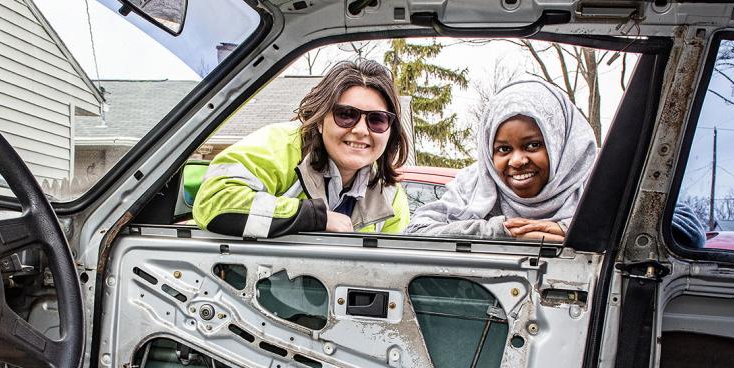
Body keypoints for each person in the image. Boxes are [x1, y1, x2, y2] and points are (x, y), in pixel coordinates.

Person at [193, 60, 410, 238]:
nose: (362, 130)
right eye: (346, 115)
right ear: (319, 120)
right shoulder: (282, 145)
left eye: (377, 120)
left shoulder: (389, 197)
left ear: (390, 131)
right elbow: (213, 202)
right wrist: (315, 218)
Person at [407, 79, 598, 243]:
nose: (517, 161)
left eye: (532, 145)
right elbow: (415, 232)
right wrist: (502, 232)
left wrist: (570, 232)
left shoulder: (597, 184)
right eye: (504, 149)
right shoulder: (475, 186)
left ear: (559, 144)